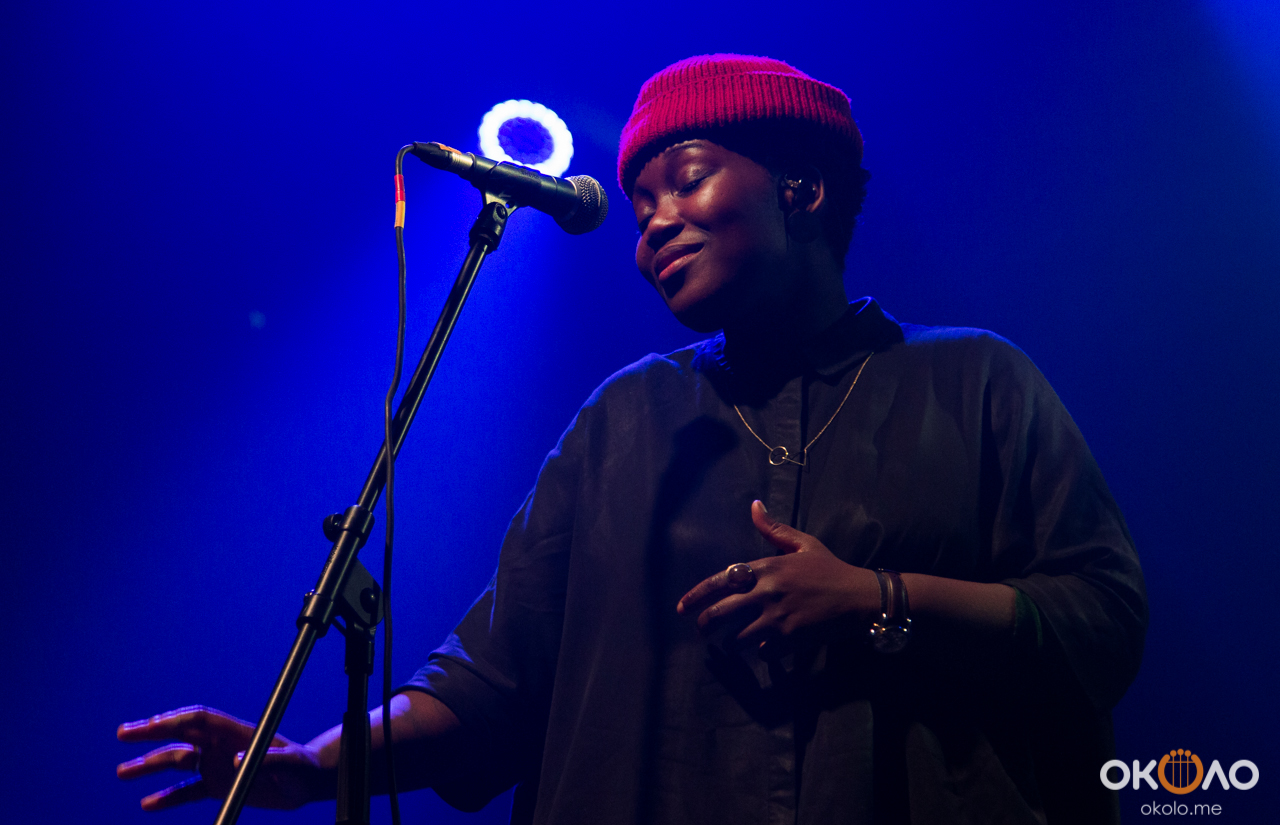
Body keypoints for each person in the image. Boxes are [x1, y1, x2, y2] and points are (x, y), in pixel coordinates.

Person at [117, 54, 1147, 824]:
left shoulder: (974, 381)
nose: (651, 224)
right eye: (641, 203)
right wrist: (309, 765)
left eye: (686, 180)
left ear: (801, 189)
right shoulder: (625, 419)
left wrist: (875, 596)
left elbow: (1101, 621)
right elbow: (488, 683)